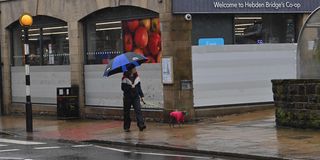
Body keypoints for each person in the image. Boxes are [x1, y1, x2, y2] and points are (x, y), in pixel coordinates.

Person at [121, 67, 146, 132]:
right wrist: (130, 87)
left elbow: (139, 87)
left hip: (135, 97)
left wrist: (142, 96)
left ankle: (141, 125)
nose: (135, 69)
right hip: (127, 98)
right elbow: (123, 88)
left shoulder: (137, 77)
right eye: (134, 68)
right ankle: (126, 127)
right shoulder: (124, 78)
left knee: (138, 110)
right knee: (126, 112)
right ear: (130, 70)